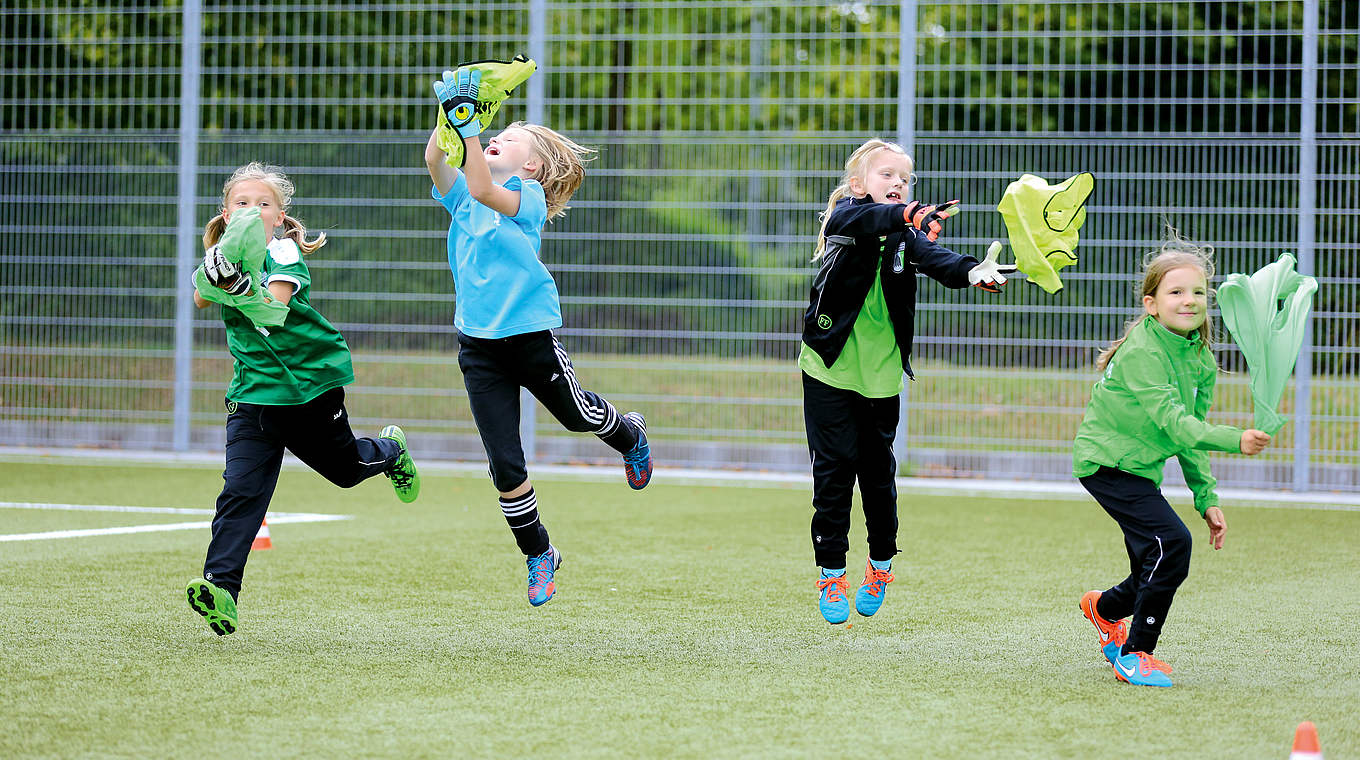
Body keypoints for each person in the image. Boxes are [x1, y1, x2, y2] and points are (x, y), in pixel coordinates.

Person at [424, 68, 652, 608]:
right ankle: (539, 553)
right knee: (504, 462)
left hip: (530, 336)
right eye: (490, 133)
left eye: (507, 138)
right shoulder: (463, 199)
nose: (492, 136)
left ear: (531, 166)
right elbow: (437, 159)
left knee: (578, 418)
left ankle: (630, 433)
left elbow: (482, 181)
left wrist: (469, 124)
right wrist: (449, 115)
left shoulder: (524, 197)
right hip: (477, 346)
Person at [185, 162, 421, 636]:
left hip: (309, 389)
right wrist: (216, 273)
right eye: (242, 203)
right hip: (253, 396)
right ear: (226, 215)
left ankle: (391, 452)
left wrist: (236, 285)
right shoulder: (223, 253)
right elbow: (200, 299)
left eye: (264, 203)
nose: (254, 210)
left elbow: (272, 310)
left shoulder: (284, 251)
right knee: (241, 492)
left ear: (280, 216)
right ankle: (222, 590)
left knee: (346, 471)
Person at [800, 138, 1013, 625]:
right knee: (832, 476)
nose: (898, 183)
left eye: (905, 178)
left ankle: (880, 566)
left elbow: (941, 262)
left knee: (877, 478)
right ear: (858, 185)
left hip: (881, 377)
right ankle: (831, 575)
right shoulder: (848, 220)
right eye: (887, 175)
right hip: (827, 368)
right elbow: (854, 221)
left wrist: (975, 270)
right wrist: (905, 215)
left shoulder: (905, 235)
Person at [1074, 233, 1271, 687]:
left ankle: (1102, 609)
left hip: (1139, 467)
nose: (1189, 300)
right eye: (1176, 292)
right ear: (1151, 304)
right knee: (1173, 545)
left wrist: (1207, 497)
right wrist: (1235, 439)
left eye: (1199, 292)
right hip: (1106, 464)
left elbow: (1190, 435)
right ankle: (1135, 654)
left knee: (1152, 558)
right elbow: (1175, 423)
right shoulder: (1144, 352)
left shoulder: (1199, 354)